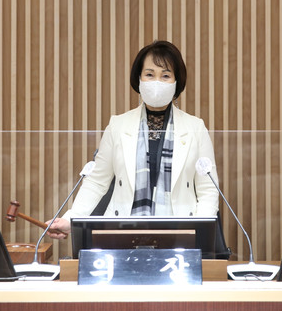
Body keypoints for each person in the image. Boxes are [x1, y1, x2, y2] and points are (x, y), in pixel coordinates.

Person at [46, 40, 219, 239]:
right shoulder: (118, 125)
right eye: (149, 74)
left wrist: (200, 231)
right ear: (139, 79)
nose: (156, 82)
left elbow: (208, 189)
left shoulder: (195, 127)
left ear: (176, 82)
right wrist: (71, 219)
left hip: (181, 234)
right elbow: (96, 182)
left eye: (165, 76)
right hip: (123, 232)